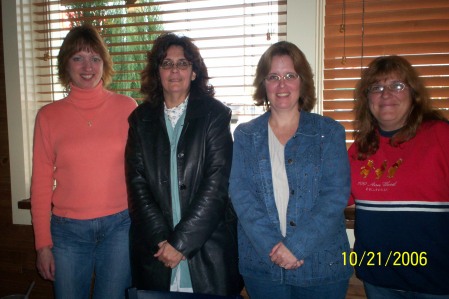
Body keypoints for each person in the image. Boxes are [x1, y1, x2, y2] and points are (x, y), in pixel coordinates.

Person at [229, 41, 352, 299]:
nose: (281, 85)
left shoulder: (328, 132)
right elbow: (241, 195)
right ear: (263, 85)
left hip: (321, 266)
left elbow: (334, 196)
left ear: (302, 81)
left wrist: (296, 247)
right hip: (263, 266)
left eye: (290, 76)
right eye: (273, 77)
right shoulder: (245, 135)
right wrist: (275, 249)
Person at [125, 32, 242, 296]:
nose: (174, 70)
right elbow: (137, 186)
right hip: (157, 253)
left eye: (183, 63)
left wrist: (180, 244)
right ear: (157, 72)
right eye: (166, 63)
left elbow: (217, 186)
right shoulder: (139, 120)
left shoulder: (215, 115)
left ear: (194, 72)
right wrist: (163, 242)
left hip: (206, 251)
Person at [30, 23, 137, 299]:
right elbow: (41, 183)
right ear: (66, 64)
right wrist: (43, 245)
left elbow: (141, 171)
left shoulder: (127, 108)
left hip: (119, 228)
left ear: (104, 63)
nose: (87, 66)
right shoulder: (48, 116)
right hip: (67, 233)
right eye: (78, 57)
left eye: (95, 58)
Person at [348, 55, 449, 298]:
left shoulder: (441, 136)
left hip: (436, 280)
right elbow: (335, 197)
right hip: (378, 279)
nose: (385, 94)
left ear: (414, 94)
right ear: (367, 99)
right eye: (377, 87)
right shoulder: (360, 147)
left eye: (397, 85)